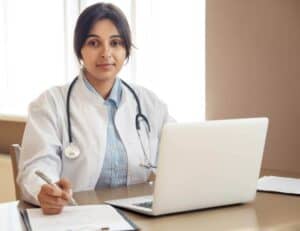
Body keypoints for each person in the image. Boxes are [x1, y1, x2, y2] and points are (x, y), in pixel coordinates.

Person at [17, 2, 173, 214]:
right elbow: (36, 169)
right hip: (76, 217)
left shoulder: (149, 104)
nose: (106, 53)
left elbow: (180, 155)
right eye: (93, 43)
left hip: (138, 215)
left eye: (115, 42)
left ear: (126, 49)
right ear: (79, 50)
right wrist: (44, 190)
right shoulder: (50, 104)